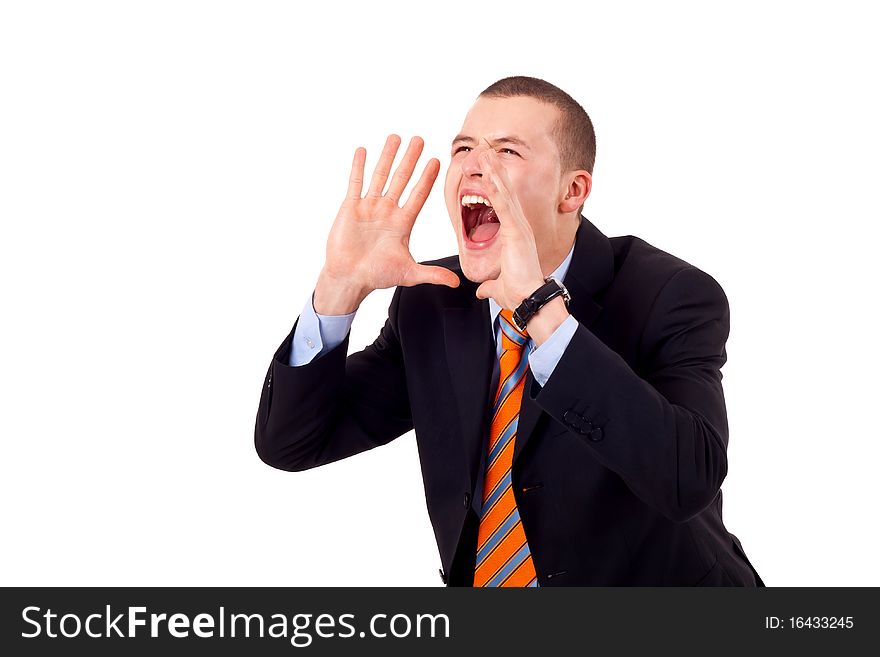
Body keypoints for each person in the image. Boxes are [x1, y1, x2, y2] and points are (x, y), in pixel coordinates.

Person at [254, 76, 764, 587]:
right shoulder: (433, 301)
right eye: (464, 148)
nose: (475, 165)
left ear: (573, 190)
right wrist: (338, 288)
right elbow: (292, 443)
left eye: (506, 151)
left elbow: (685, 479)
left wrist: (541, 313)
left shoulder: (671, 295)